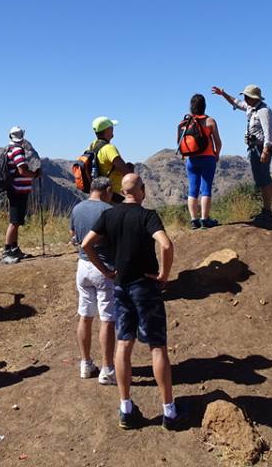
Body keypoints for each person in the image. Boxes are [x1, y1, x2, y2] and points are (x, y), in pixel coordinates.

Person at [82, 173, 187, 431]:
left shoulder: (109, 215)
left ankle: (126, 409)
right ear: (141, 190)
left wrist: (106, 271)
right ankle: (169, 412)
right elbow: (166, 245)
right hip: (145, 286)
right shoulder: (147, 216)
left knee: (123, 344)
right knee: (157, 347)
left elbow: (86, 244)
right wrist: (163, 275)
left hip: (120, 286)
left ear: (123, 191)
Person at [211, 85, 272, 221]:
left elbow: (268, 132)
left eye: (247, 96)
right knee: (266, 178)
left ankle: (267, 211)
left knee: (263, 180)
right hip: (254, 148)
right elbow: (236, 102)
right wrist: (223, 94)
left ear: (254, 98)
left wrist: (265, 150)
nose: (245, 98)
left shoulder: (264, 111)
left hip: (260, 148)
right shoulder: (251, 107)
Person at [69, 177, 117, 385]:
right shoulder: (109, 211)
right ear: (107, 190)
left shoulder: (77, 208)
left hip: (83, 266)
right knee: (107, 319)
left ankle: (86, 364)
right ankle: (107, 369)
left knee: (85, 315)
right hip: (103, 267)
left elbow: (73, 236)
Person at [181, 95, 223, 229]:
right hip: (208, 158)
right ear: (204, 106)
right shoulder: (210, 121)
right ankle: (205, 219)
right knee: (206, 188)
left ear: (191, 106)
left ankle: (194, 220)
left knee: (192, 189)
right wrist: (216, 154)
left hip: (191, 159)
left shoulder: (186, 122)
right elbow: (218, 142)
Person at [2, 126, 40, 264]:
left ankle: (14, 248)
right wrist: (35, 174)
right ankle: (7, 251)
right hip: (17, 190)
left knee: (16, 222)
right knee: (14, 221)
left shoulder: (9, 148)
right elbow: (22, 170)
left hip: (15, 189)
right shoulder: (17, 150)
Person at [89, 116, 134, 204]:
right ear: (107, 130)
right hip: (112, 195)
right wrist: (130, 168)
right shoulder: (109, 148)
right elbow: (125, 171)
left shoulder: (92, 146)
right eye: (112, 127)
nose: (113, 129)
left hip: (98, 193)